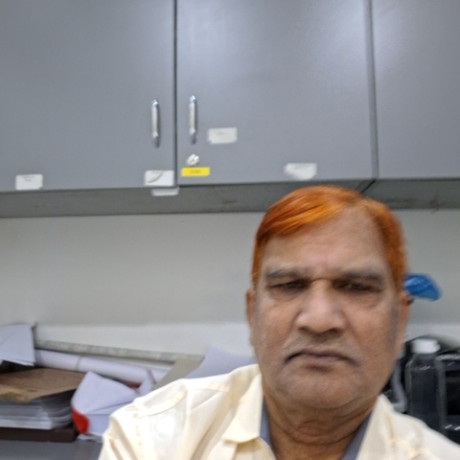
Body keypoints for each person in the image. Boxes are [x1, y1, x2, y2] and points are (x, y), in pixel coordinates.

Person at [99, 185, 460, 459]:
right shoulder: (152, 439)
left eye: (356, 287)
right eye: (289, 285)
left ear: (401, 321)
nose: (319, 320)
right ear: (252, 315)